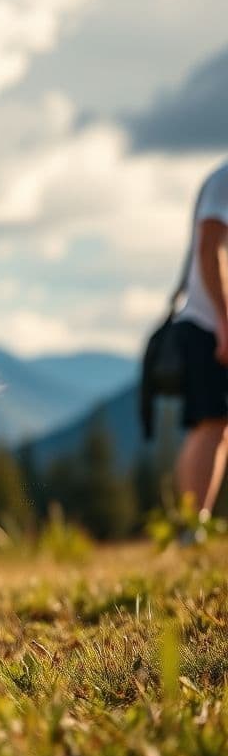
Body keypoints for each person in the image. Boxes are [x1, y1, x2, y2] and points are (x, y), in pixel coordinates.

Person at [174, 161, 228, 522]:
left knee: (218, 426)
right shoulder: (225, 180)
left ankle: (195, 522)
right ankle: (193, 524)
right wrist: (225, 324)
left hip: (211, 323)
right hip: (210, 324)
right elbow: (209, 249)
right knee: (211, 423)